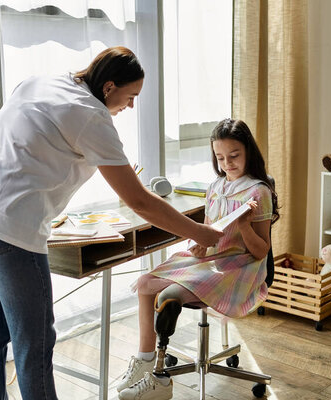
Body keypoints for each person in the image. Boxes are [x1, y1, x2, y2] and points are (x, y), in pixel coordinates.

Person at [0, 46, 222, 400]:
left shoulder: (42, 81)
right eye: (130, 96)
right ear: (109, 87)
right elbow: (139, 201)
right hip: (8, 233)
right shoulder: (92, 116)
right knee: (35, 342)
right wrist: (202, 232)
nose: (131, 105)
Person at [117, 118, 279, 400]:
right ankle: (144, 360)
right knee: (144, 283)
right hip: (210, 261)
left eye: (234, 156)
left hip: (239, 266)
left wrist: (243, 226)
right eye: (220, 157)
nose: (227, 162)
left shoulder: (258, 192)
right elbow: (206, 229)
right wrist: (198, 246)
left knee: (169, 294)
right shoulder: (215, 186)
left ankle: (160, 380)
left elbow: (261, 251)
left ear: (248, 152)